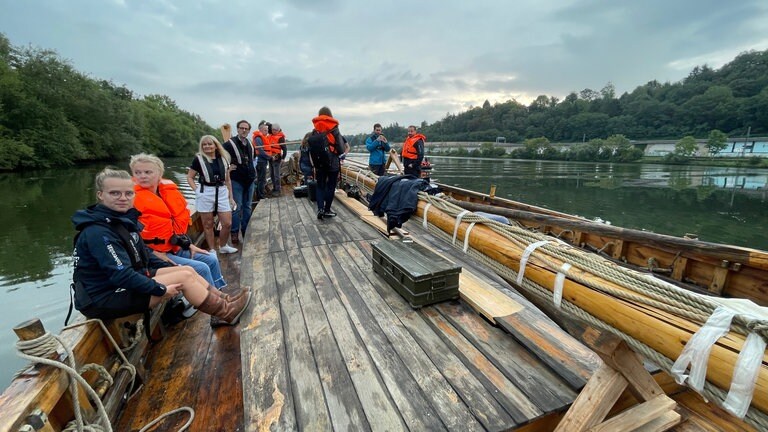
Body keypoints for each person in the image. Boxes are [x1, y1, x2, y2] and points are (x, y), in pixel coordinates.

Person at [71, 168, 250, 326]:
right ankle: (227, 312)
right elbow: (121, 275)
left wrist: (172, 268)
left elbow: (146, 255)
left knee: (186, 270)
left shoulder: (121, 222)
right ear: (101, 195)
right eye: (115, 193)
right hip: (104, 297)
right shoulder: (98, 233)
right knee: (184, 280)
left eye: (128, 193)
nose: (123, 198)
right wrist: (160, 289)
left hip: (125, 282)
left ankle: (224, 301)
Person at [130, 153, 227, 289]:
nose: (142, 176)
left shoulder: (166, 192)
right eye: (137, 172)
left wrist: (188, 244)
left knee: (211, 259)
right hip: (154, 255)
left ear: (159, 173)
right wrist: (152, 253)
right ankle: (216, 304)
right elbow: (129, 237)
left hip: (175, 247)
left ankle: (219, 292)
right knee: (201, 268)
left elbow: (175, 225)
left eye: (148, 172)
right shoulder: (130, 201)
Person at [187, 135, 238, 254]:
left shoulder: (224, 158)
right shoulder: (198, 159)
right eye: (204, 144)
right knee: (208, 224)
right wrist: (197, 191)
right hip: (205, 192)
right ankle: (212, 249)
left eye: (210, 144)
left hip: (221, 190)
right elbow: (190, 177)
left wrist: (231, 197)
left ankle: (223, 245)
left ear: (215, 145)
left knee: (227, 223)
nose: (207, 146)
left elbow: (227, 180)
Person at [222, 120, 256, 245]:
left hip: (250, 180)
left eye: (246, 128)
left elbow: (253, 159)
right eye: (241, 128)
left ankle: (245, 230)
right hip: (236, 181)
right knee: (236, 207)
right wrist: (228, 168)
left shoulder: (250, 144)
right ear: (237, 129)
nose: (244, 130)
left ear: (248, 130)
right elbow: (220, 158)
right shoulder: (229, 144)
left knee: (247, 207)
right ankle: (234, 233)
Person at [310, 106, 346, 220]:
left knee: (320, 186)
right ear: (330, 115)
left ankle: (320, 209)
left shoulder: (315, 129)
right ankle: (327, 210)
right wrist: (340, 153)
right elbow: (340, 146)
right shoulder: (334, 127)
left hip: (320, 163)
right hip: (332, 162)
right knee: (330, 186)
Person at [267, 123, 288, 196]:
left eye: (275, 130)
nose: (274, 131)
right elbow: (268, 125)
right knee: (271, 174)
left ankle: (278, 190)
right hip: (270, 158)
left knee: (276, 175)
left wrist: (283, 158)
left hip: (277, 158)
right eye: (273, 130)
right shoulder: (270, 136)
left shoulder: (280, 138)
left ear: (278, 130)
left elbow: (284, 149)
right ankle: (274, 188)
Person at [252, 121, 270, 200]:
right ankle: (261, 196)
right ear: (261, 130)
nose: (267, 132)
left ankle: (260, 194)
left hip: (263, 161)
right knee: (261, 179)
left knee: (261, 179)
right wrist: (270, 157)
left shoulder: (262, 138)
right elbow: (261, 151)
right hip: (260, 161)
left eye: (267, 130)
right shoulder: (258, 138)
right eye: (265, 130)